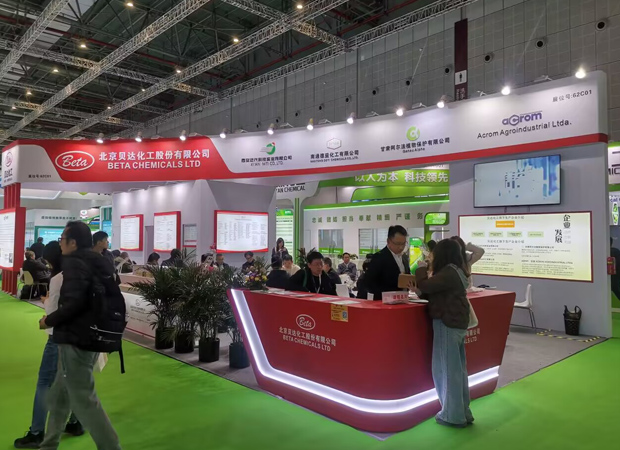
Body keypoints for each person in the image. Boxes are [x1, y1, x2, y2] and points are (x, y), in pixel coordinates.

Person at [38, 221, 122, 450]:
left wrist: (48, 321)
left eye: (63, 239)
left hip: (77, 339)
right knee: (59, 396)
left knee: (85, 400)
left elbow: (74, 304)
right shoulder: (98, 261)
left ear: (73, 242)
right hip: (91, 336)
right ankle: (48, 444)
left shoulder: (75, 264)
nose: (60, 244)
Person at [14, 242, 83, 449]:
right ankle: (75, 421)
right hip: (77, 337)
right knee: (71, 380)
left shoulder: (58, 278)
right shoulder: (80, 274)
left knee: (45, 382)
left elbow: (54, 314)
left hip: (57, 337)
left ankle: (36, 432)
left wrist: (46, 313)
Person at [415, 239, 472, 428]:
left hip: (447, 322)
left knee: (447, 371)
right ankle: (463, 411)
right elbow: (435, 291)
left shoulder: (448, 271)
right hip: (456, 322)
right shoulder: (457, 271)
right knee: (457, 370)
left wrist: (421, 269)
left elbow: (427, 285)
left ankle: (451, 415)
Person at [363, 225, 410, 300]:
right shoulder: (379, 257)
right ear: (388, 241)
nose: (401, 247)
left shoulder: (404, 258)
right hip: (384, 301)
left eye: (403, 243)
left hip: (403, 300)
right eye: (398, 244)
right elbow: (369, 283)